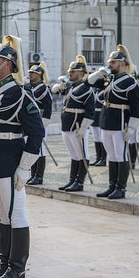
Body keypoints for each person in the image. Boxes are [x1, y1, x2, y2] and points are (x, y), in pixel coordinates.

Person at [0, 35, 44, 278]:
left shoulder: (20, 95)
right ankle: (4, 264)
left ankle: (17, 269)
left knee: (16, 215)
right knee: (1, 215)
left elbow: (36, 133)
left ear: (7, 63)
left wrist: (25, 167)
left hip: (8, 162)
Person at [88, 45, 139, 200]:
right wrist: (99, 73)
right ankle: (112, 186)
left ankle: (121, 188)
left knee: (120, 155)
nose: (110, 64)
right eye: (110, 61)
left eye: (113, 62)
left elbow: (136, 108)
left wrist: (131, 128)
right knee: (111, 156)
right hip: (106, 122)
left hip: (121, 124)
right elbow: (89, 82)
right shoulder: (108, 80)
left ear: (122, 63)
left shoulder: (130, 82)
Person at [52, 56, 95, 191]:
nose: (70, 73)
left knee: (82, 154)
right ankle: (72, 180)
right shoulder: (70, 87)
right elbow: (53, 90)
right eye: (70, 71)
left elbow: (90, 111)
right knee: (74, 155)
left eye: (73, 71)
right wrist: (59, 85)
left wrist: (84, 127)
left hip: (78, 126)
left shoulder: (86, 89)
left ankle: (79, 182)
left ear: (81, 73)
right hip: (67, 125)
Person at [25, 62, 52, 185]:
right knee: (32, 148)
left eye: (33, 73)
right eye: (30, 72)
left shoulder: (43, 88)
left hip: (40, 120)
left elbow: (48, 108)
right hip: (31, 121)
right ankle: (33, 174)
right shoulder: (29, 87)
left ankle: (39, 176)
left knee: (40, 150)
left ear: (40, 74)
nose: (30, 74)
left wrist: (43, 124)